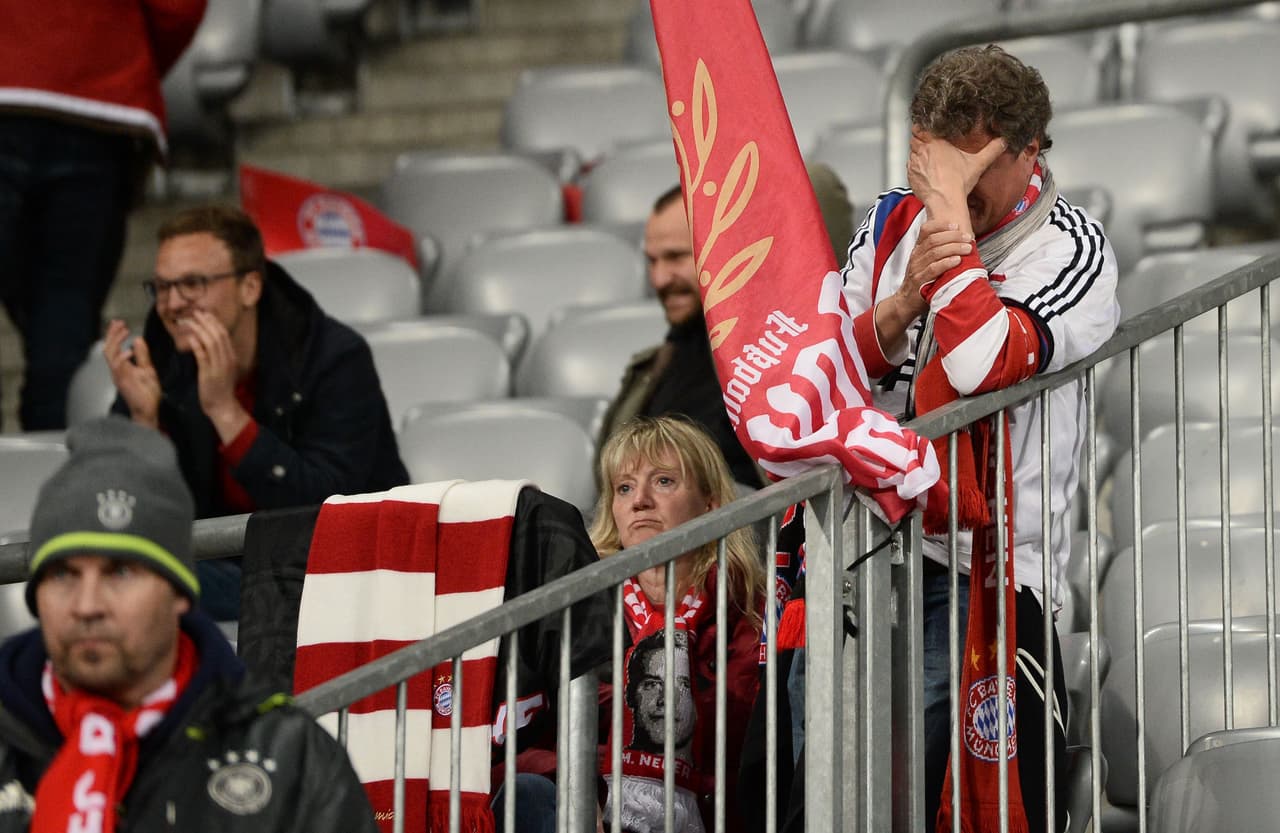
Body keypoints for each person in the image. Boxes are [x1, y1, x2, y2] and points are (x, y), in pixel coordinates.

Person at [839, 45, 1120, 830]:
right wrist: (900, 304)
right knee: (836, 791)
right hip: (865, 557)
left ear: (1027, 152)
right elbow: (828, 373)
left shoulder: (1071, 247)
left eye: (968, 172)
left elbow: (980, 361)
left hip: (988, 577)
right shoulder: (893, 219)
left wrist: (953, 228)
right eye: (936, 169)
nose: (944, 193)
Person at [0, 416, 378, 833]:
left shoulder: (289, 759)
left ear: (180, 592)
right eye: (62, 575)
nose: (88, 605)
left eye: (121, 573)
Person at [103, 204, 409, 619]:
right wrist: (144, 427)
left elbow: (328, 511)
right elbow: (118, 510)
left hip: (336, 575)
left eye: (192, 284)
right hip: (214, 568)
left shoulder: (333, 358)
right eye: (161, 287)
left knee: (149, 578)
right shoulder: (157, 363)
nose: (172, 304)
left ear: (250, 287)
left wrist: (225, 413)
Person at [0, 0, 206, 430]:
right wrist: (123, 59)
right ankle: (51, 475)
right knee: (64, 324)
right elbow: (178, 9)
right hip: (99, 100)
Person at [597, 165, 853, 491]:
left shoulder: (784, 352)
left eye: (676, 257)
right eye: (652, 260)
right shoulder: (651, 368)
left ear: (722, 250)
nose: (659, 278)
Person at [591, 416, 766, 833]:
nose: (640, 501)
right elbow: (537, 737)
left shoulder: (750, 610)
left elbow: (753, 747)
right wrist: (581, 795)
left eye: (664, 481)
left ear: (708, 503)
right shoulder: (583, 604)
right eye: (624, 488)